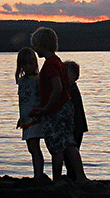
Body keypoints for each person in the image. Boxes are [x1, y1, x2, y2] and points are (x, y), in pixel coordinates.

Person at [29, 27, 89, 184]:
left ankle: (56, 180)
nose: (35, 49)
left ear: (42, 45)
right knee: (69, 143)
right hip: (66, 108)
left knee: (56, 146)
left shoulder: (50, 65)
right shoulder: (58, 63)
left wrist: (47, 109)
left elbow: (57, 88)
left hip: (57, 110)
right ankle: (81, 177)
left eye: (36, 46)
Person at [15, 47, 46, 180]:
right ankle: (37, 174)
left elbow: (42, 97)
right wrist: (21, 118)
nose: (29, 66)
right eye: (25, 64)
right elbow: (24, 101)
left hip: (36, 118)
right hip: (26, 119)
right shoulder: (22, 82)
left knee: (34, 148)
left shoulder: (38, 79)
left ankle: (38, 175)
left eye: (31, 63)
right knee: (31, 148)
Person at [62, 60, 88, 181]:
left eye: (67, 73)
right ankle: (72, 175)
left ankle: (74, 175)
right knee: (69, 152)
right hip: (76, 125)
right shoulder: (69, 88)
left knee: (72, 149)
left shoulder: (71, 89)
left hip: (76, 126)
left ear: (75, 76)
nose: (64, 75)